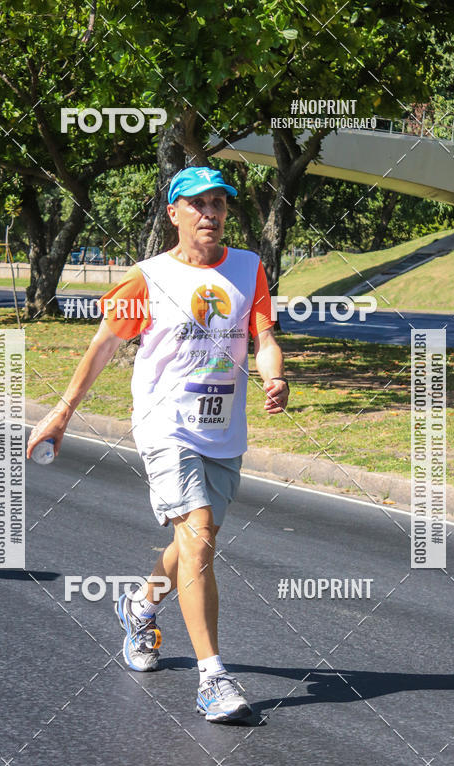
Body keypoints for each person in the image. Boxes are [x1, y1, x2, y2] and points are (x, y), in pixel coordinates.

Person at [27, 166, 289, 723]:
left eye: (219, 203)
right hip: (164, 424)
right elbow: (101, 348)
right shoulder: (146, 279)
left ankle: (140, 605)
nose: (211, 213)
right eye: (198, 204)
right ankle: (212, 680)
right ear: (174, 214)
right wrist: (61, 412)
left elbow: (263, 337)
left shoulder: (249, 268)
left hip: (222, 429)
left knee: (199, 541)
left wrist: (274, 376)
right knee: (197, 543)